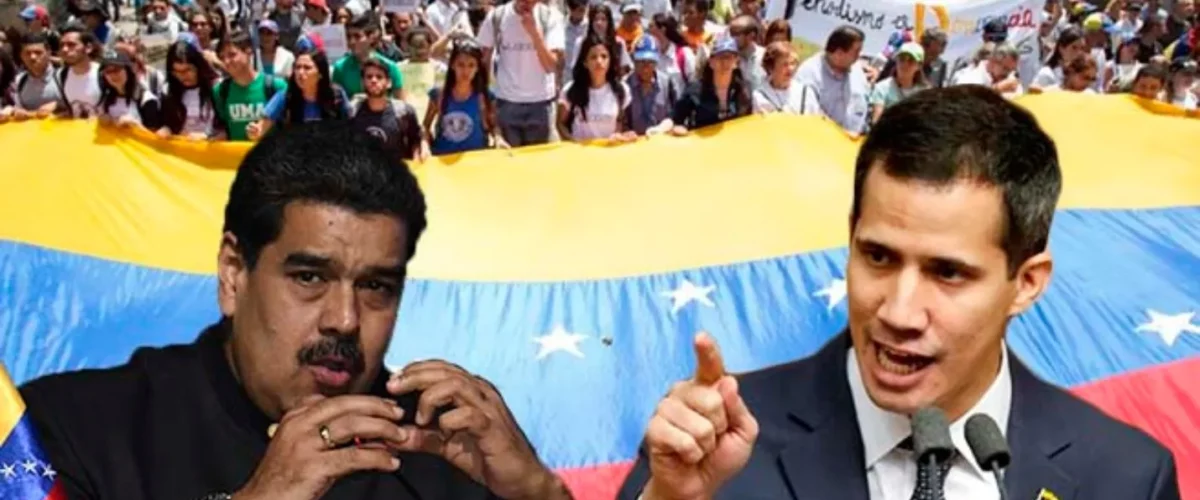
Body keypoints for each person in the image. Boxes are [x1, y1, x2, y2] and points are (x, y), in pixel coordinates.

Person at [617, 85, 1181, 500]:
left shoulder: (1126, 478)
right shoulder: (711, 450)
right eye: (879, 257)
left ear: (1026, 283)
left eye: (948, 273)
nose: (899, 312)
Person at [19, 121, 574, 500]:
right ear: (233, 273)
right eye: (310, 277)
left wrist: (537, 492)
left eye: (375, 286)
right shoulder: (71, 431)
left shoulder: (446, 450)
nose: (345, 320)